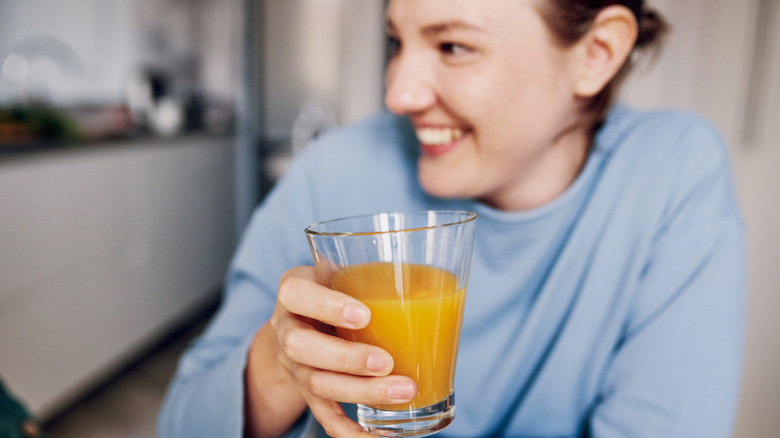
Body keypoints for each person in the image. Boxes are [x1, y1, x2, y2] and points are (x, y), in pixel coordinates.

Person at [158, 0, 746, 437]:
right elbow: (180, 425)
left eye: (453, 46)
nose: (397, 93)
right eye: (397, 42)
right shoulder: (334, 171)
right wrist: (284, 366)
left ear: (596, 54)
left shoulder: (671, 173)